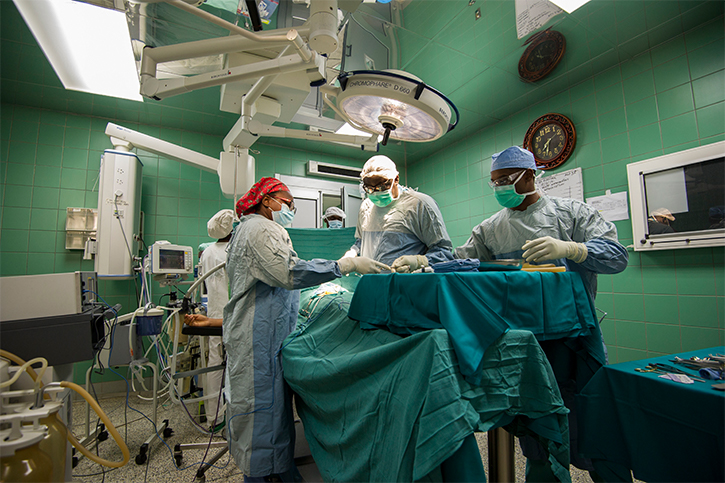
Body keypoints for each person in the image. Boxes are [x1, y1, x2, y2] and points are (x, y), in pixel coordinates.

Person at [454, 146, 629, 482]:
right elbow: (462, 264)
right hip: (525, 341)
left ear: (530, 175)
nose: (499, 188)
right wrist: (425, 263)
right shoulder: (489, 229)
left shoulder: (572, 213)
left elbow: (617, 257)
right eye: (494, 182)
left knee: (596, 419)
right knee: (536, 424)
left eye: (505, 180)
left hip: (576, 337)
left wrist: (574, 249)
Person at [223, 177, 388, 482]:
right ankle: (267, 474)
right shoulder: (261, 228)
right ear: (266, 201)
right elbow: (288, 271)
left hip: (259, 332)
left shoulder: (249, 229)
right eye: (286, 201)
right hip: (258, 338)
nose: (290, 207)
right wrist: (343, 267)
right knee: (263, 413)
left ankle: (277, 470)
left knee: (267, 412)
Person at [344, 155, 454, 273]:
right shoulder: (366, 206)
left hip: (406, 286)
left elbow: (444, 252)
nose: (375, 193)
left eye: (381, 186)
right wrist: (352, 254)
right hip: (371, 283)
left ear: (396, 179)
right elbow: (361, 242)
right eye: (369, 189)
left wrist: (418, 261)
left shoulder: (420, 205)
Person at [198, 209, 234, 430]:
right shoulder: (232, 251)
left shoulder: (207, 252)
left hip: (214, 313)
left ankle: (213, 417)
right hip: (231, 315)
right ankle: (234, 415)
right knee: (234, 365)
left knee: (214, 363)